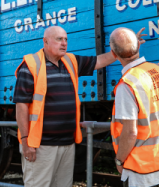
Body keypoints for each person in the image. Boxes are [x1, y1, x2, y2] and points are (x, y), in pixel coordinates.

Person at [13, 26, 116, 187]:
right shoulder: (31, 66)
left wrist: (124, 49)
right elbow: (21, 107)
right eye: (59, 39)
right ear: (45, 41)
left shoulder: (71, 61)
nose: (64, 43)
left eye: (66, 39)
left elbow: (100, 61)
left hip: (67, 144)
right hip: (41, 146)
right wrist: (25, 142)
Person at [109, 27, 159, 187]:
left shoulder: (127, 85)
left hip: (142, 171)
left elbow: (130, 133)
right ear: (138, 47)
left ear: (114, 55)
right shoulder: (158, 71)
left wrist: (119, 160)